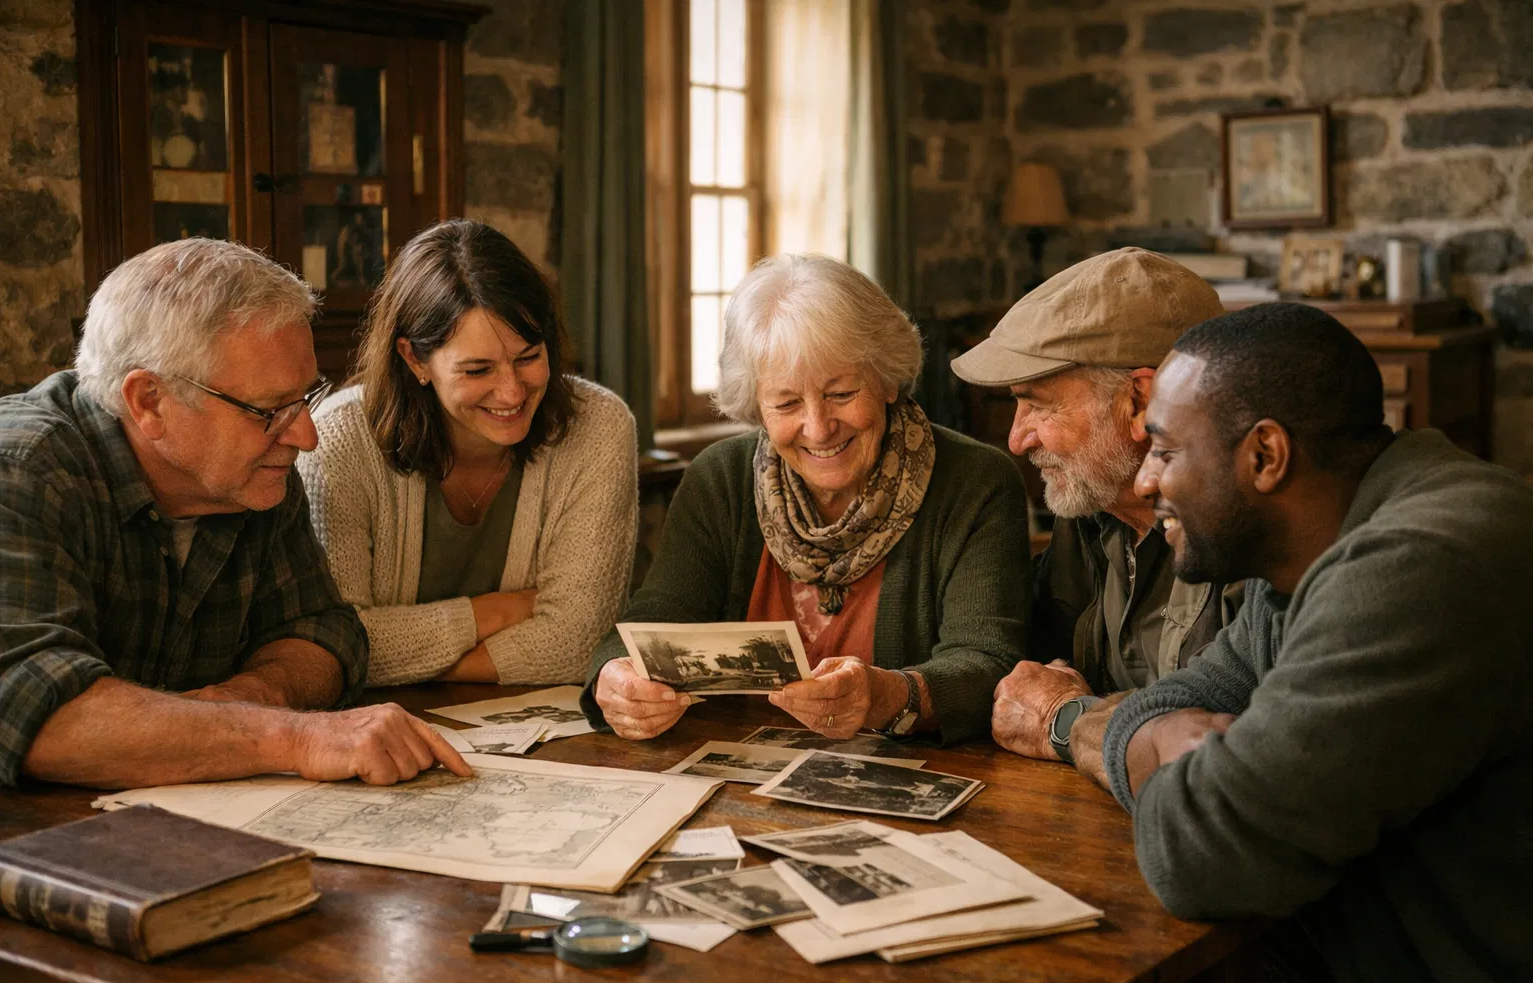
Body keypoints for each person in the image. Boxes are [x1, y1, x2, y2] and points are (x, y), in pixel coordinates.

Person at [1076, 303, 1533, 983]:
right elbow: (1170, 702)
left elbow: (1204, 855)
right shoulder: (1305, 552)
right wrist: (1156, 738)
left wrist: (1157, 764)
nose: (1143, 482)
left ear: (1264, 456)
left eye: (1164, 450)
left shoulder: (1421, 567)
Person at [0, 238, 471, 790]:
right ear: (149, 401)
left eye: (305, 399)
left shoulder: (250, 474)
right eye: (268, 410)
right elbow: (32, 710)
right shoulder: (20, 468)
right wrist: (294, 736)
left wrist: (253, 698)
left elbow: (323, 631)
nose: (305, 436)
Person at [583, 254, 1030, 744]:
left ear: (885, 379)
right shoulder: (720, 479)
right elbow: (656, 615)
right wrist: (615, 678)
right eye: (787, 403)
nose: (818, 428)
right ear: (756, 404)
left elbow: (991, 663)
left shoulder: (976, 483)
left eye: (840, 394)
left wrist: (888, 695)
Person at [298, 219, 637, 686]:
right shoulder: (338, 443)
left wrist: (403, 661)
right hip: (374, 731)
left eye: (528, 357)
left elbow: (576, 646)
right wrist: (488, 613)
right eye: (478, 370)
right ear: (414, 359)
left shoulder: (599, 427)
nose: (512, 392)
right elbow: (334, 644)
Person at [949, 248, 1238, 768]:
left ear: (1140, 402)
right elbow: (1026, 673)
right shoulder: (1091, 507)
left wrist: (1068, 720)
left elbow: (1225, 737)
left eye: (1038, 404)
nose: (1016, 440)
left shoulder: (1252, 534)